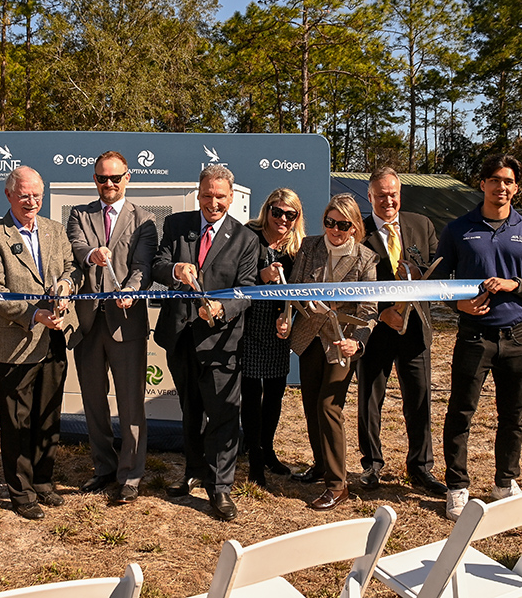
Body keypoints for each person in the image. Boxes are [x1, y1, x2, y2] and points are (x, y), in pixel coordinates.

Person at [435, 154, 522, 521]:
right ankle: (457, 488)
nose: (500, 187)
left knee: (512, 416)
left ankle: (505, 482)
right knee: (461, 413)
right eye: (494, 180)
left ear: (515, 187)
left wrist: (514, 284)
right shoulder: (458, 229)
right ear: (482, 183)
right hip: (474, 337)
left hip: (517, 337)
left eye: (508, 181)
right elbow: (440, 284)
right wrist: (460, 306)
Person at [152, 164, 258, 521]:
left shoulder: (245, 239)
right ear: (198, 194)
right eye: (208, 195)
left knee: (224, 415)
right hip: (180, 336)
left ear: (231, 197)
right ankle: (193, 471)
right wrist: (175, 271)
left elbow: (247, 290)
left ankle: (220, 488)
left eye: (221, 196)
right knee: (190, 410)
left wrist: (222, 309)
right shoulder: (177, 225)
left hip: (220, 341)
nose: (213, 202)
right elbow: (158, 264)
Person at [0, 165, 81, 520]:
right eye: (24, 195)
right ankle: (20, 492)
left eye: (37, 194)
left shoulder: (54, 229)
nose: (32, 201)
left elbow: (70, 269)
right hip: (15, 343)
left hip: (54, 337)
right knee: (17, 421)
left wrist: (66, 289)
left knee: (48, 414)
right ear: (9, 195)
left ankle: (44, 480)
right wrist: (35, 314)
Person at [65, 151, 158, 504]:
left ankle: (131, 475)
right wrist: (91, 254)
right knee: (93, 401)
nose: (109, 184)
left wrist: (132, 291)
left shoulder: (145, 220)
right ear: (94, 179)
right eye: (102, 178)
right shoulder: (79, 214)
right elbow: (76, 248)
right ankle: (103, 467)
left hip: (126, 321)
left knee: (131, 403)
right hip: (88, 322)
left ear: (128, 178)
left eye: (115, 178)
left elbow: (143, 265)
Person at [278, 193, 377, 511]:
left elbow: (370, 309)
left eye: (342, 224)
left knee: (328, 406)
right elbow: (292, 288)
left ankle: (337, 485)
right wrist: (285, 316)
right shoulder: (309, 246)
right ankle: (320, 465)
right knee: (310, 404)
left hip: (340, 342)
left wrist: (358, 342)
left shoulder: (366, 259)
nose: (334, 229)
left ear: (354, 226)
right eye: (329, 222)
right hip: (309, 337)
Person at [355, 168, 447, 496]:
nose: (388, 200)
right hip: (375, 329)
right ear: (370, 197)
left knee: (419, 397)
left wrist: (419, 272)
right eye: (381, 195)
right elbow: (350, 282)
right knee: (369, 398)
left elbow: (439, 271)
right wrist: (382, 313)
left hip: (416, 328)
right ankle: (372, 465)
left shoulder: (421, 225)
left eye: (393, 193)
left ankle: (421, 468)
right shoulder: (356, 231)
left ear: (400, 192)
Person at [240, 188, 305, 485]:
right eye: (276, 212)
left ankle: (268, 450)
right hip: (249, 326)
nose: (282, 219)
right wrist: (260, 277)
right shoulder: (247, 236)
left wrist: (287, 319)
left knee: (276, 394)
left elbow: (298, 293)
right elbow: (233, 279)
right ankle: (253, 458)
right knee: (252, 396)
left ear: (296, 218)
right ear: (266, 210)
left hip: (279, 329)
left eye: (289, 214)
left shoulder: (297, 248)